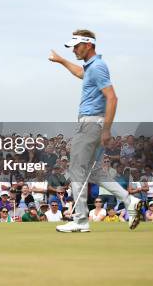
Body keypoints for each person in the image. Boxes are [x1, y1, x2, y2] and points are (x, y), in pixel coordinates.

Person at [49, 30, 143, 232]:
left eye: (76, 46)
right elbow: (79, 73)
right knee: (95, 172)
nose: (74, 49)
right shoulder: (92, 67)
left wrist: (106, 130)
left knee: (76, 170)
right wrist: (61, 61)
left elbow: (112, 97)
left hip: (91, 125)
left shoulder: (98, 67)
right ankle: (129, 200)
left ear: (88, 45)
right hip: (93, 124)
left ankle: (81, 220)